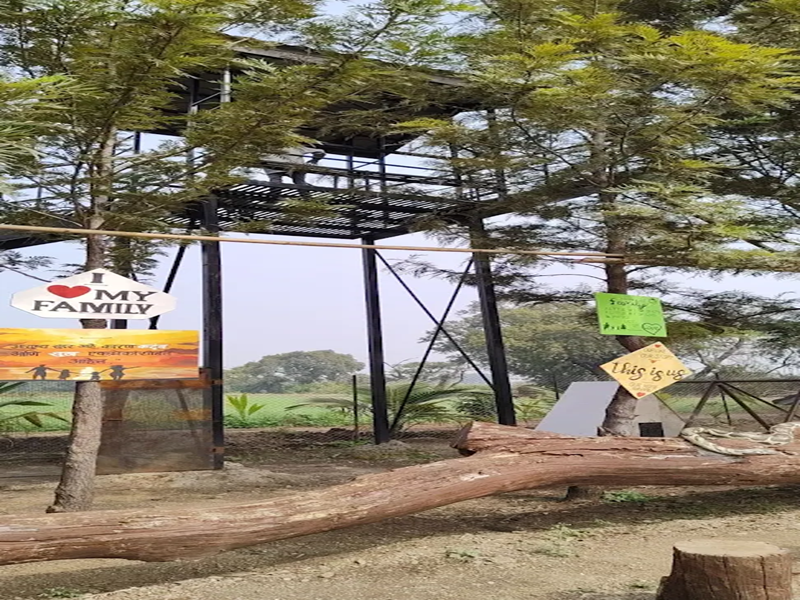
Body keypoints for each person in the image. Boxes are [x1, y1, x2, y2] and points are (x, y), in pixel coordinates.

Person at [260, 146, 326, 185]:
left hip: (272, 165)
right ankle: (306, 199)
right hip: (296, 166)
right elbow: (321, 151)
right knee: (300, 183)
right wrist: (314, 160)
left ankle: (274, 199)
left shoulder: (264, 146)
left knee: (275, 182)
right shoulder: (295, 146)